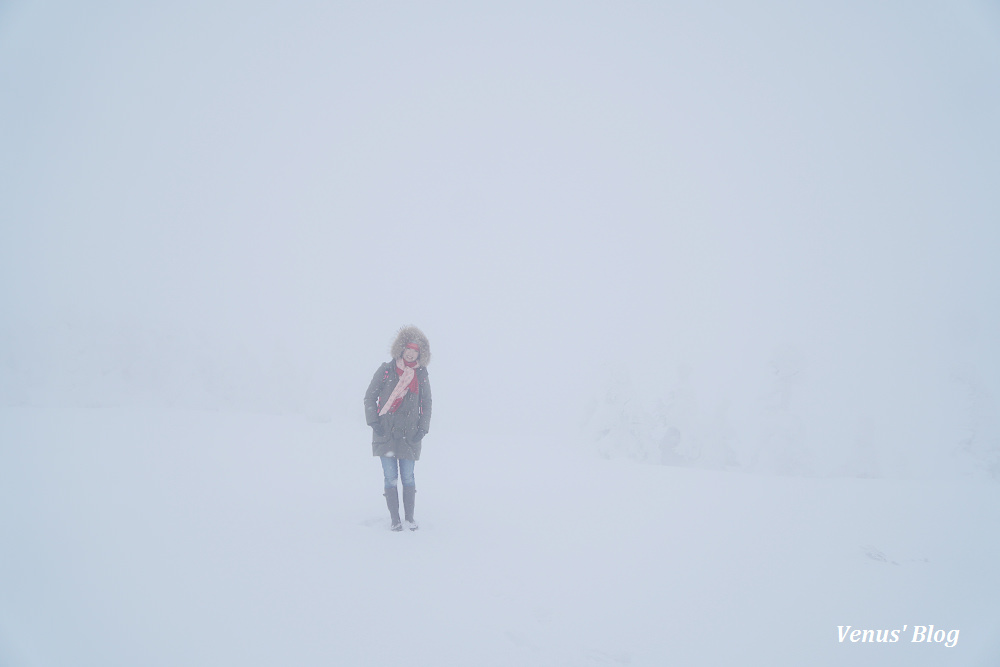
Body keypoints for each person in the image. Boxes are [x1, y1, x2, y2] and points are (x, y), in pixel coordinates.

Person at [363, 326, 432, 531]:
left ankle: (409, 518)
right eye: (408, 348)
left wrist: (423, 428)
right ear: (401, 349)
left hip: (410, 435)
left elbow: (426, 402)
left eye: (416, 350)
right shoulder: (386, 369)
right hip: (386, 433)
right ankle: (395, 520)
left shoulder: (421, 374)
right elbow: (369, 397)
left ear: (420, 354)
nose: (411, 352)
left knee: (408, 477)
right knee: (390, 477)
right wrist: (374, 422)